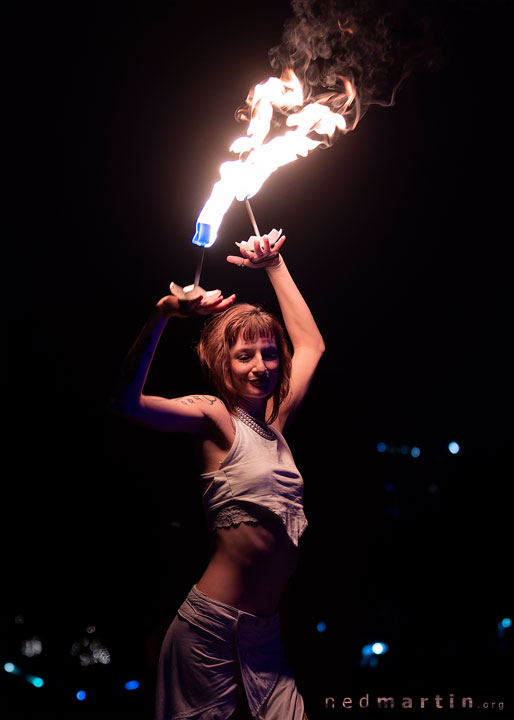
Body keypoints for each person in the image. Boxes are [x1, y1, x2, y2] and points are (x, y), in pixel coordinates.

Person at [108, 232, 325, 719]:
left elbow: (311, 344)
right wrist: (163, 314)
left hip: (265, 634)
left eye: (270, 353)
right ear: (219, 361)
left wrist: (274, 266)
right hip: (209, 631)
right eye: (245, 355)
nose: (261, 366)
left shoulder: (275, 422)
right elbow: (125, 402)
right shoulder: (213, 415)